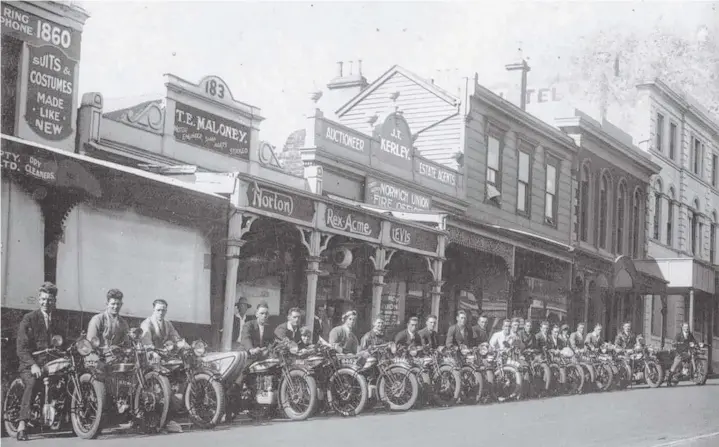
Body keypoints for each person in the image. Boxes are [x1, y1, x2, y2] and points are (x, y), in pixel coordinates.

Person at [15, 283, 59, 441]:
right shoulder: (29, 318)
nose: (46, 303)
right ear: (39, 299)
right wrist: (33, 364)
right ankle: (22, 424)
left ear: (54, 300)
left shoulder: (58, 319)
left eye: (49, 299)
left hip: (52, 364)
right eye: (43, 299)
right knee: (33, 383)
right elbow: (21, 348)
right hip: (30, 364)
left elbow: (65, 341)